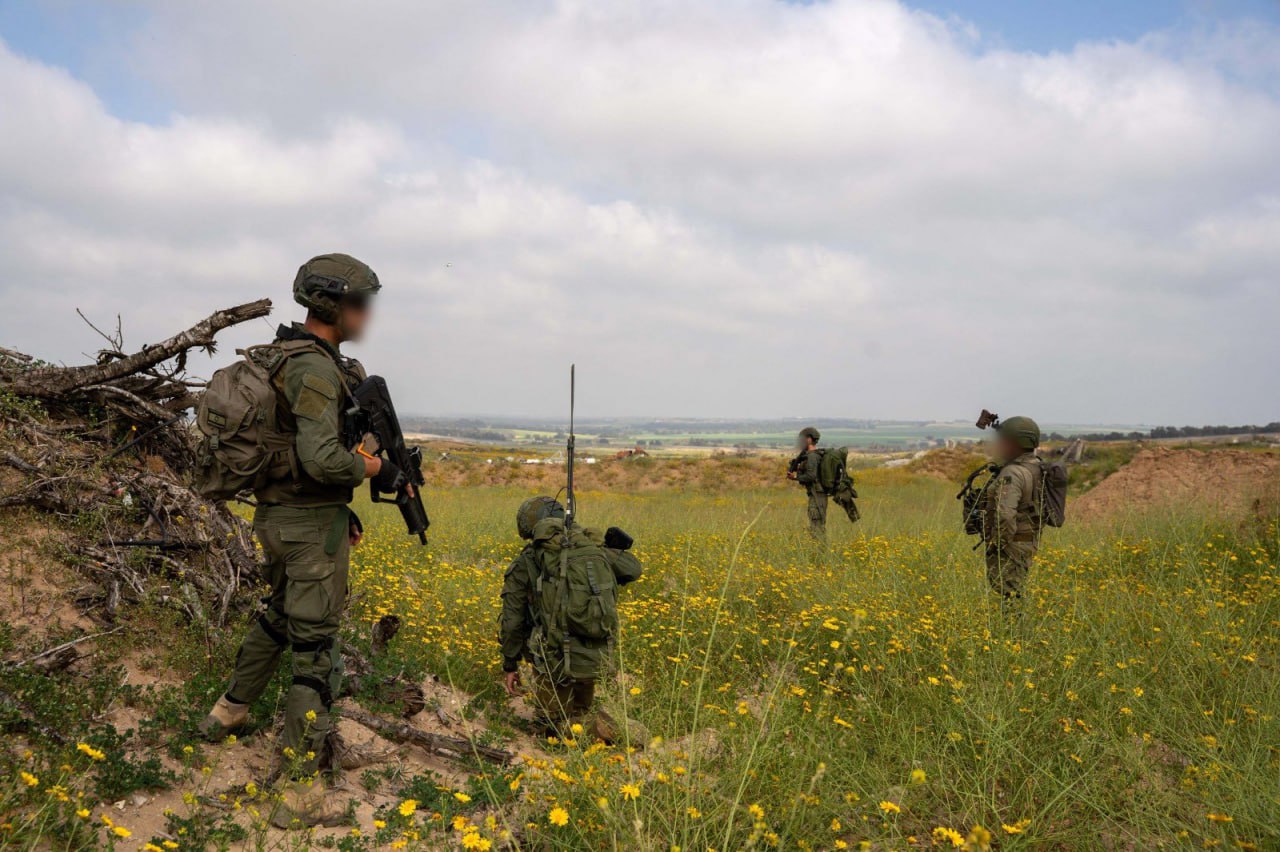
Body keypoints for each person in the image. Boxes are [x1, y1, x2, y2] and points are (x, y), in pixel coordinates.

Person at [198, 253, 407, 827]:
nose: (367, 313)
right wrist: (375, 472)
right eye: (361, 302)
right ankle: (296, 792)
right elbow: (320, 457)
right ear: (333, 306)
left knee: (278, 617)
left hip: (289, 518)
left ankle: (226, 714)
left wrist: (343, 514)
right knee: (315, 651)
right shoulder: (313, 368)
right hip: (305, 528)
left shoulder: (288, 356)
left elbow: (299, 454)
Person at [499, 496, 646, 745]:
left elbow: (513, 620)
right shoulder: (589, 549)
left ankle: (622, 733)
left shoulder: (529, 560)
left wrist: (509, 663)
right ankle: (597, 727)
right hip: (593, 653)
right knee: (580, 711)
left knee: (556, 727)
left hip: (553, 656)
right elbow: (632, 570)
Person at [980, 416, 1045, 612]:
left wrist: (997, 544)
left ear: (1015, 443)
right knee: (1014, 592)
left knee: (1010, 595)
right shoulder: (1035, 466)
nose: (999, 445)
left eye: (1003, 441)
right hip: (1026, 540)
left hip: (1012, 544)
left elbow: (1005, 515)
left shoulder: (1012, 473)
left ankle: (1013, 637)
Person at [787, 426, 827, 540]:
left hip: (817, 495)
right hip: (816, 494)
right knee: (816, 525)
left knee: (817, 526)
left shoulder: (812, 456)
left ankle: (820, 553)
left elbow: (811, 476)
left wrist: (795, 477)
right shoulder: (811, 455)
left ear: (809, 439)